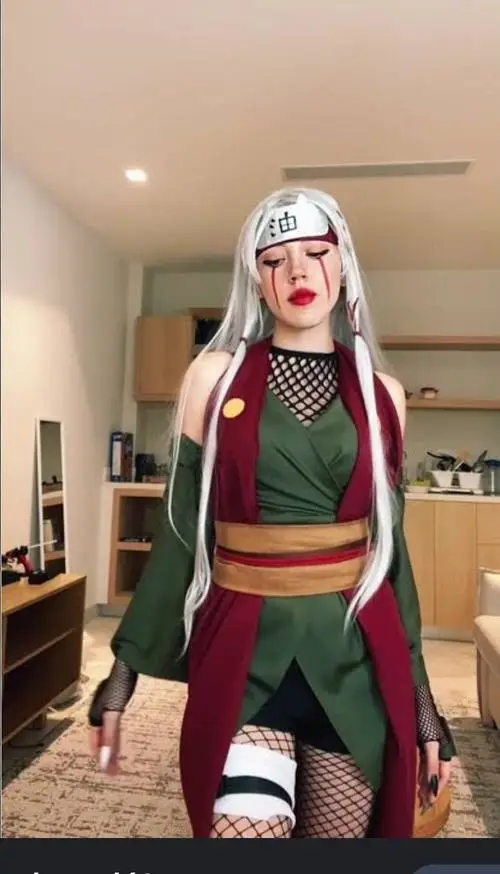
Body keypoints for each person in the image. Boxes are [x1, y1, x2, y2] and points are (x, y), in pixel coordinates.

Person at [88, 188, 456, 839]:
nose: (297, 272)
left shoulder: (384, 396)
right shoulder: (214, 377)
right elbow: (180, 530)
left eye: (316, 253)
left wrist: (424, 706)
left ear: (343, 265)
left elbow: (391, 558)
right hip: (246, 649)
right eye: (274, 259)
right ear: (256, 280)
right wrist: (123, 672)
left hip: (354, 654)